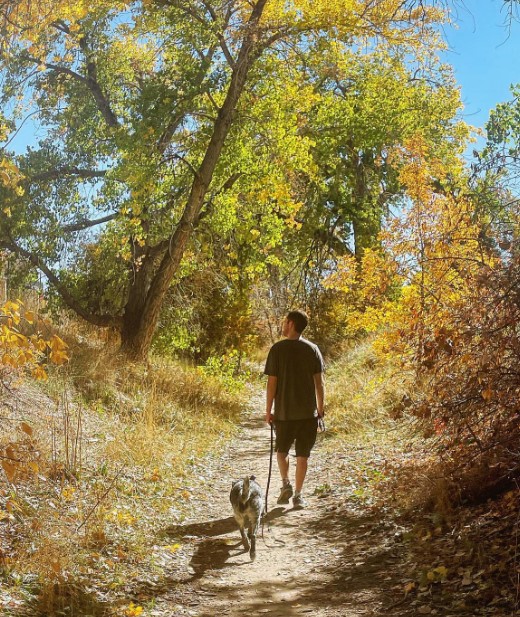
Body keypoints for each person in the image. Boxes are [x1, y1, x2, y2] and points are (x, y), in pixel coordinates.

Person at [264, 309, 325, 509]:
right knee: (302, 456)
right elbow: (319, 383)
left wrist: (268, 409)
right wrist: (320, 409)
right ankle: (298, 495)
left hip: (284, 413)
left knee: (281, 451)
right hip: (308, 414)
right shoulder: (313, 349)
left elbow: (272, 383)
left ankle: (285, 484)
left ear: (291, 324)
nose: (283, 325)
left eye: (284, 322)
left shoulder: (277, 349)